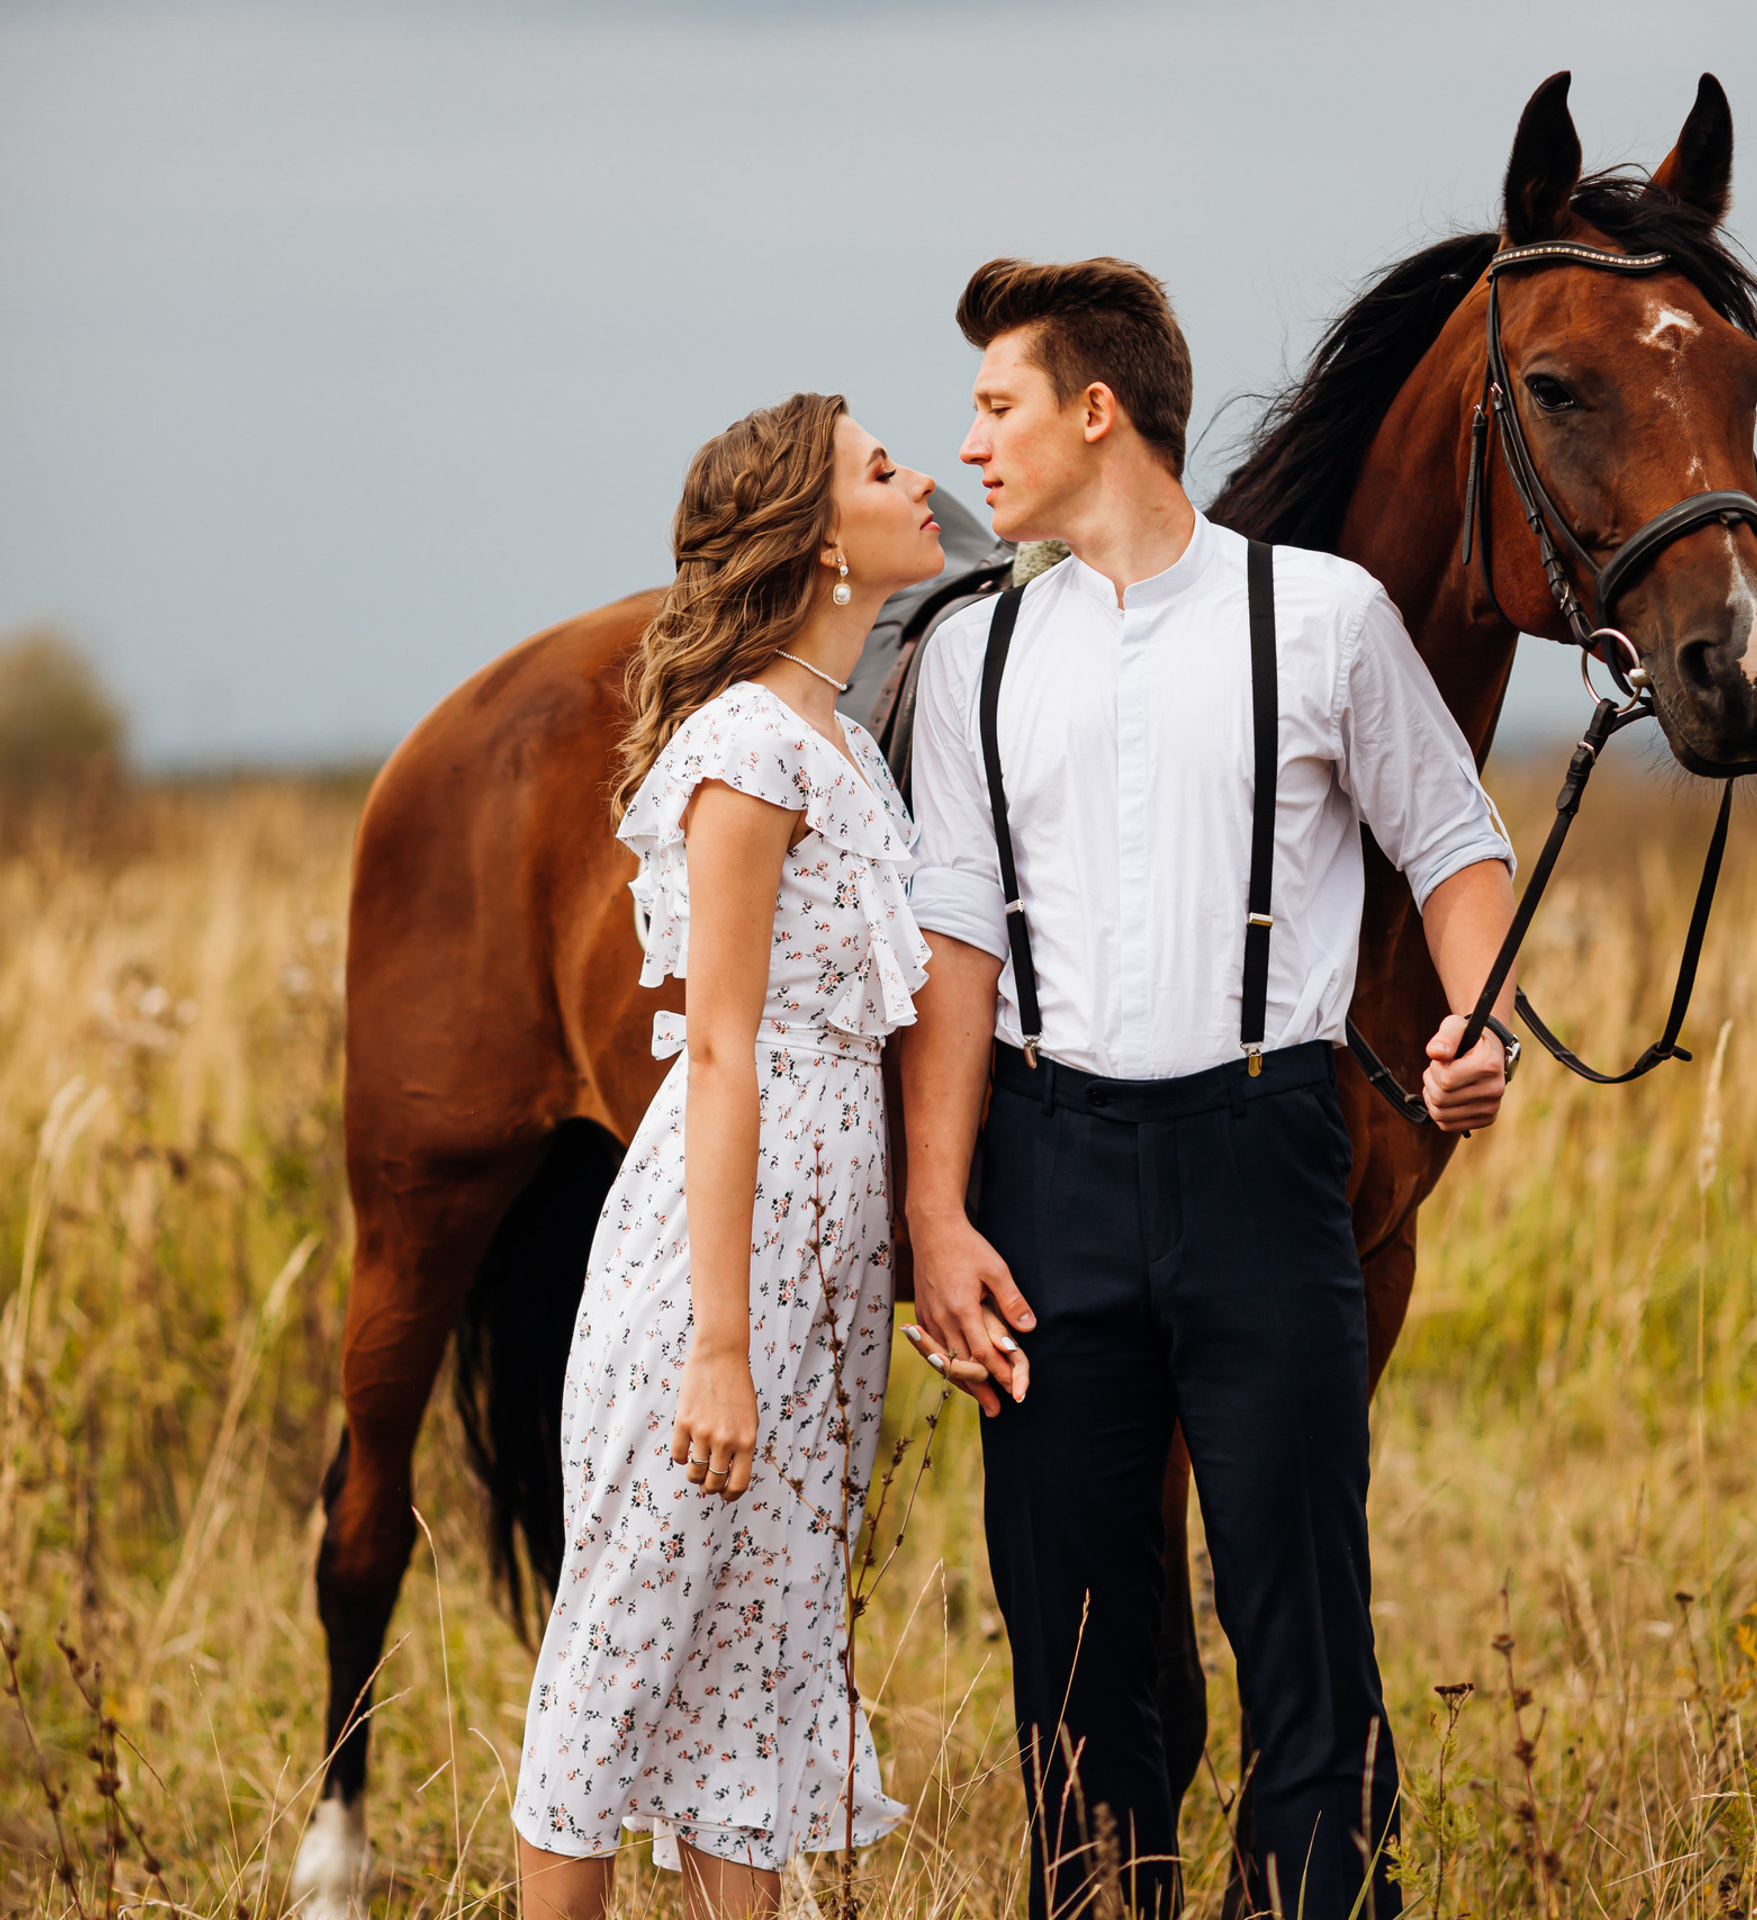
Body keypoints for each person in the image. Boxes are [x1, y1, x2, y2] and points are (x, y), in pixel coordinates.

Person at [894, 259, 1520, 1920]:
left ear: (1098, 412)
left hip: (1264, 1151)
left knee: (1303, 1628)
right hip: (1047, 1171)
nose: (972, 447)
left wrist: (1483, 1019)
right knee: (1073, 1649)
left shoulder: (1321, 618)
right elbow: (954, 946)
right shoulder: (973, 655)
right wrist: (938, 1211)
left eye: (999, 408)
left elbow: (1455, 846)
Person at [511, 393, 944, 1920]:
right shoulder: (751, 750)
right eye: (882, 468)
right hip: (714, 1277)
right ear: (823, 542)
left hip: (820, 1281)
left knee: (757, 1681)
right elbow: (719, 1048)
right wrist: (716, 1343)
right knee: (614, 1665)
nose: (923, 476)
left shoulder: (844, 748)